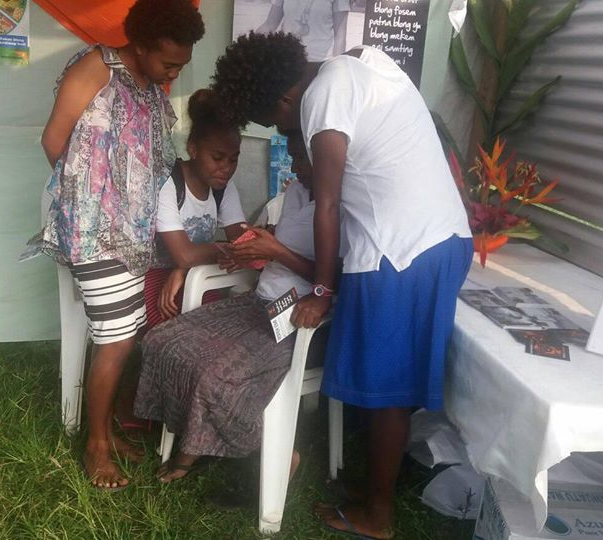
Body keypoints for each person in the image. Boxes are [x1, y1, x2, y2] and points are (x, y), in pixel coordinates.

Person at [211, 33, 474, 539]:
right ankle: (372, 490)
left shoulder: (324, 93)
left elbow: (327, 205)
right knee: (380, 381)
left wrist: (321, 291)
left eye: (275, 122)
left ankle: (378, 515)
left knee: (388, 388)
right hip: (427, 239)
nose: (286, 133)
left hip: (402, 249)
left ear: (285, 100)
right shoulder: (355, 66)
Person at [25, 0, 204, 491]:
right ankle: (96, 446)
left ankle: (107, 429)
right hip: (94, 231)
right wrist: (90, 204)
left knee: (129, 332)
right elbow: (53, 140)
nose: (175, 71)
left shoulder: (149, 88)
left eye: (181, 65)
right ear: (140, 44)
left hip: (134, 232)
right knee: (117, 339)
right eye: (169, 61)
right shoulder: (95, 67)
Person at [134, 132, 325, 483]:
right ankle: (192, 437)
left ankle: (270, 452)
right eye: (294, 157)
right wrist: (182, 265)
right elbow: (240, 245)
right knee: (163, 340)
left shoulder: (343, 205)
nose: (295, 168)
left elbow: (338, 280)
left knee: (216, 372)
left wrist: (276, 252)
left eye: (303, 159)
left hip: (299, 316)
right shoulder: (296, 193)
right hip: (258, 302)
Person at [143, 88, 248, 329]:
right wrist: (226, 250)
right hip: (151, 274)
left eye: (233, 159)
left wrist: (183, 268)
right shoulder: (168, 182)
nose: (226, 168)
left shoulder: (224, 188)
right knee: (180, 330)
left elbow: (245, 242)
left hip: (195, 274)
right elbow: (184, 254)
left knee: (216, 326)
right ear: (193, 149)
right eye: (218, 157)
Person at [255, 0, 349, 62]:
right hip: (286, 61)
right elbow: (270, 25)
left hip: (318, 64)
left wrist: (338, 68)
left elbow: (340, 37)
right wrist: (247, 47)